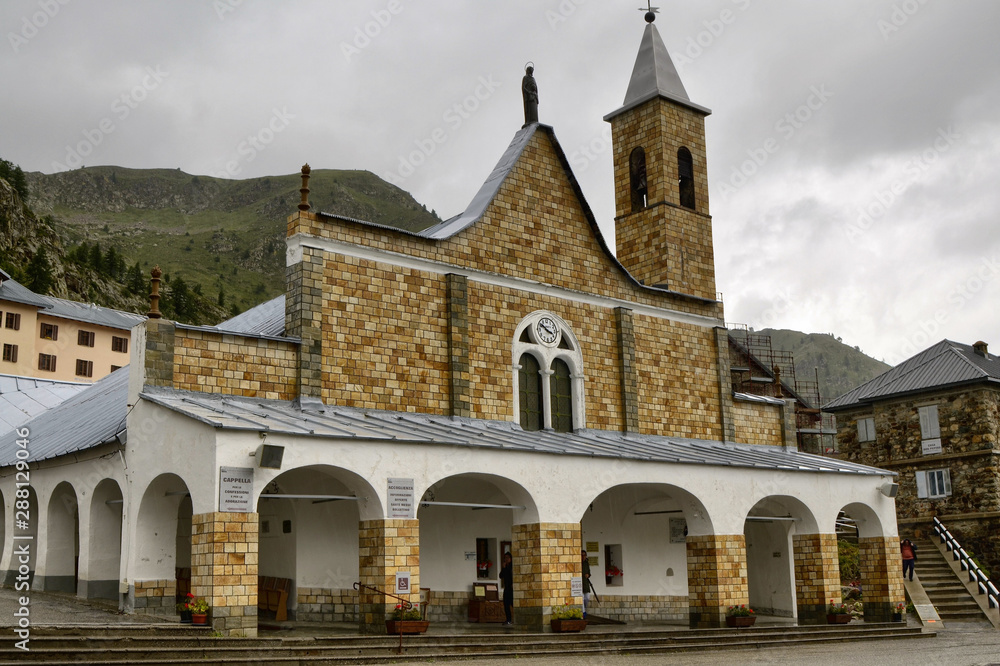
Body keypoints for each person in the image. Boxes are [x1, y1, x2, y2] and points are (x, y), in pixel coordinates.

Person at [500, 552, 514, 625]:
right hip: (507, 588)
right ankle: (508, 619)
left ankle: (516, 618)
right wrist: (503, 568)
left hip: (512, 588)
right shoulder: (505, 567)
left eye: (508, 558)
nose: (506, 559)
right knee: (506, 604)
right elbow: (501, 576)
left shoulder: (512, 567)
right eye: (505, 558)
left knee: (513, 603)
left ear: (511, 559)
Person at [581, 549, 591, 618]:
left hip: (586, 582)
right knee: (581, 598)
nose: (583, 556)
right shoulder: (578, 563)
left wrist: (588, 575)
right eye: (582, 555)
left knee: (587, 598)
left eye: (584, 555)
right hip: (580, 582)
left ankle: (584, 608)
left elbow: (589, 572)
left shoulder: (586, 563)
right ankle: (583, 612)